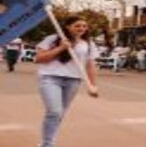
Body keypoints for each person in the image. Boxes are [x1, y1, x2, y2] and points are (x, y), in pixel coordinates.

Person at [35, 16, 99, 147]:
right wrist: (61, 48)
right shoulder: (52, 39)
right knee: (54, 111)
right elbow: (39, 59)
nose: (81, 28)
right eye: (77, 25)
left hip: (73, 81)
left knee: (60, 114)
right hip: (50, 78)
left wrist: (92, 85)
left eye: (84, 26)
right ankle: (47, 144)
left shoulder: (88, 44)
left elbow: (90, 65)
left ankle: (47, 141)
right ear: (68, 27)